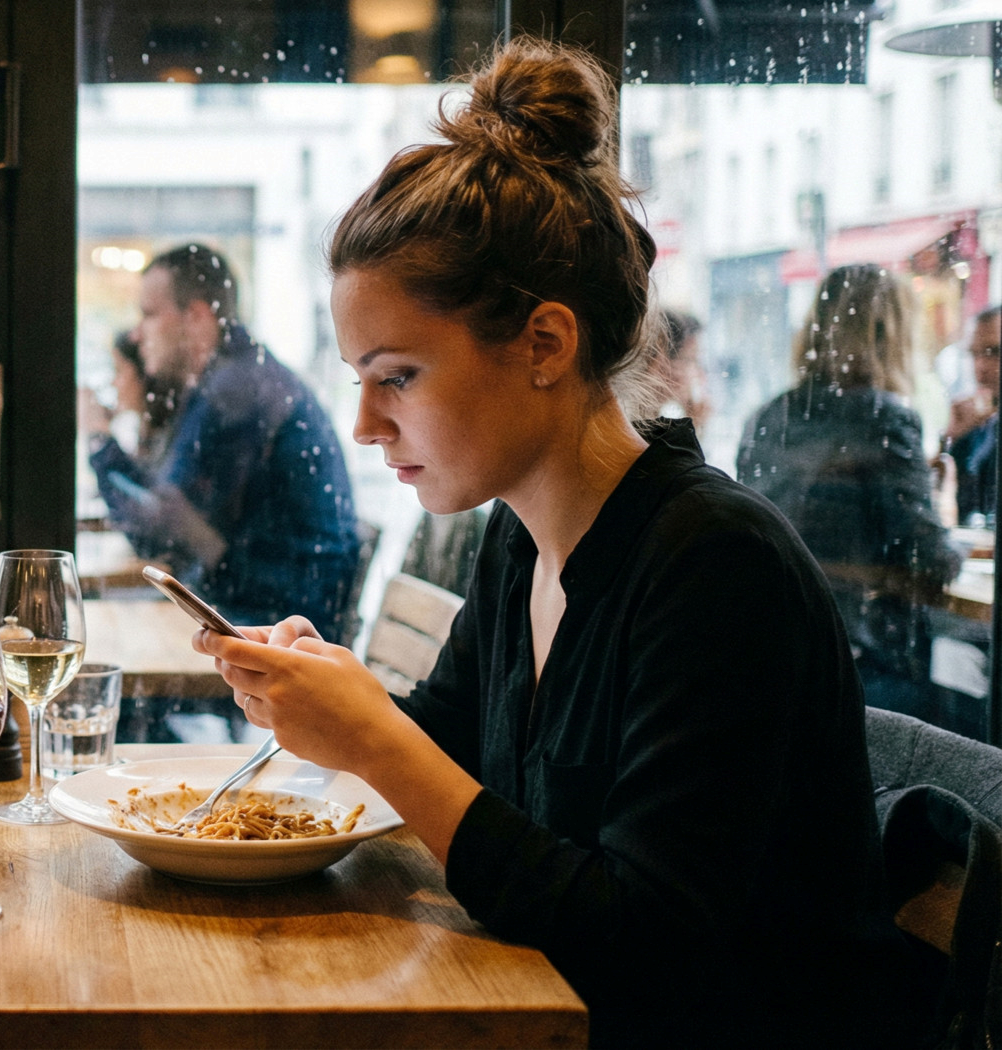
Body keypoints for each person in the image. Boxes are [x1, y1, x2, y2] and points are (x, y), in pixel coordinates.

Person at [197, 40, 926, 1048]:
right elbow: (451, 744)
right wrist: (331, 699)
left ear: (543, 344)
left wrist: (374, 739)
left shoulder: (713, 563)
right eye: (358, 378)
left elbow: (643, 944)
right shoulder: (517, 534)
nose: (363, 424)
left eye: (395, 376)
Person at [84, 243, 360, 635]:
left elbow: (161, 530)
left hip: (280, 631)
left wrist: (99, 442)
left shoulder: (235, 392)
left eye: (148, 314)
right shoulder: (236, 378)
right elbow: (170, 513)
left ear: (196, 317)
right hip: (265, 611)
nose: (136, 332)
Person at [737, 264, 961, 719]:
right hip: (859, 667)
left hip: (771, 658)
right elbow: (933, 561)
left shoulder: (769, 416)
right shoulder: (886, 418)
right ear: (891, 335)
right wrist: (946, 501)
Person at [78, 330, 180, 474]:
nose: (113, 382)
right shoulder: (148, 433)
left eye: (118, 371)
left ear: (142, 375)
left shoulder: (169, 434)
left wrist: (99, 432)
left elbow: (141, 491)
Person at [942, 305, 1000, 525]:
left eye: (994, 352)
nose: (980, 367)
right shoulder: (978, 424)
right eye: (974, 354)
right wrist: (952, 437)